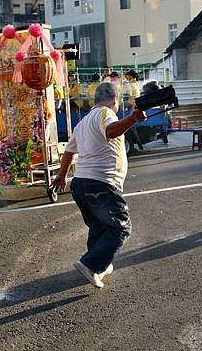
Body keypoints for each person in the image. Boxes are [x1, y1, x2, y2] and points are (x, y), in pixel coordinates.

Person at [51, 82, 146, 288]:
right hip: (100, 183)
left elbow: (69, 151)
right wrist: (132, 119)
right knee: (121, 227)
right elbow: (111, 131)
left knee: (100, 227)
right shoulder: (106, 113)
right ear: (114, 100)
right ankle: (91, 265)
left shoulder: (83, 122)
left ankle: (99, 266)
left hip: (81, 184)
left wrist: (62, 175)